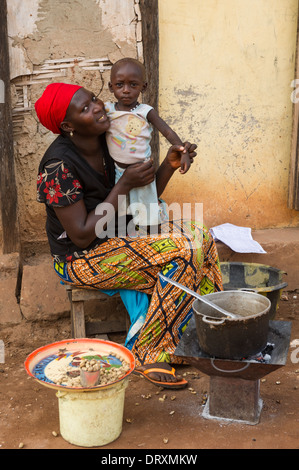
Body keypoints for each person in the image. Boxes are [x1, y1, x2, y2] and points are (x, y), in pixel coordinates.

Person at [35, 82, 223, 389]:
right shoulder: (58, 166)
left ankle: (206, 333)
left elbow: (141, 203)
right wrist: (123, 186)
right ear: (68, 126)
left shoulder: (109, 142)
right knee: (183, 253)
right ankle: (150, 351)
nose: (97, 106)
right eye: (85, 108)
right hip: (81, 259)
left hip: (123, 235)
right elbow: (81, 235)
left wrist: (168, 165)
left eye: (94, 98)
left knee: (201, 235)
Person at [105, 58, 191, 228]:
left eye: (133, 85)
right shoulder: (107, 110)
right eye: (120, 85)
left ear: (143, 87)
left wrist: (183, 151)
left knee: (147, 214)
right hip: (116, 170)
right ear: (111, 86)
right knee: (121, 213)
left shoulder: (145, 111)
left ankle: (149, 240)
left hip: (141, 170)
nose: (126, 90)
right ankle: (127, 243)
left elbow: (167, 131)